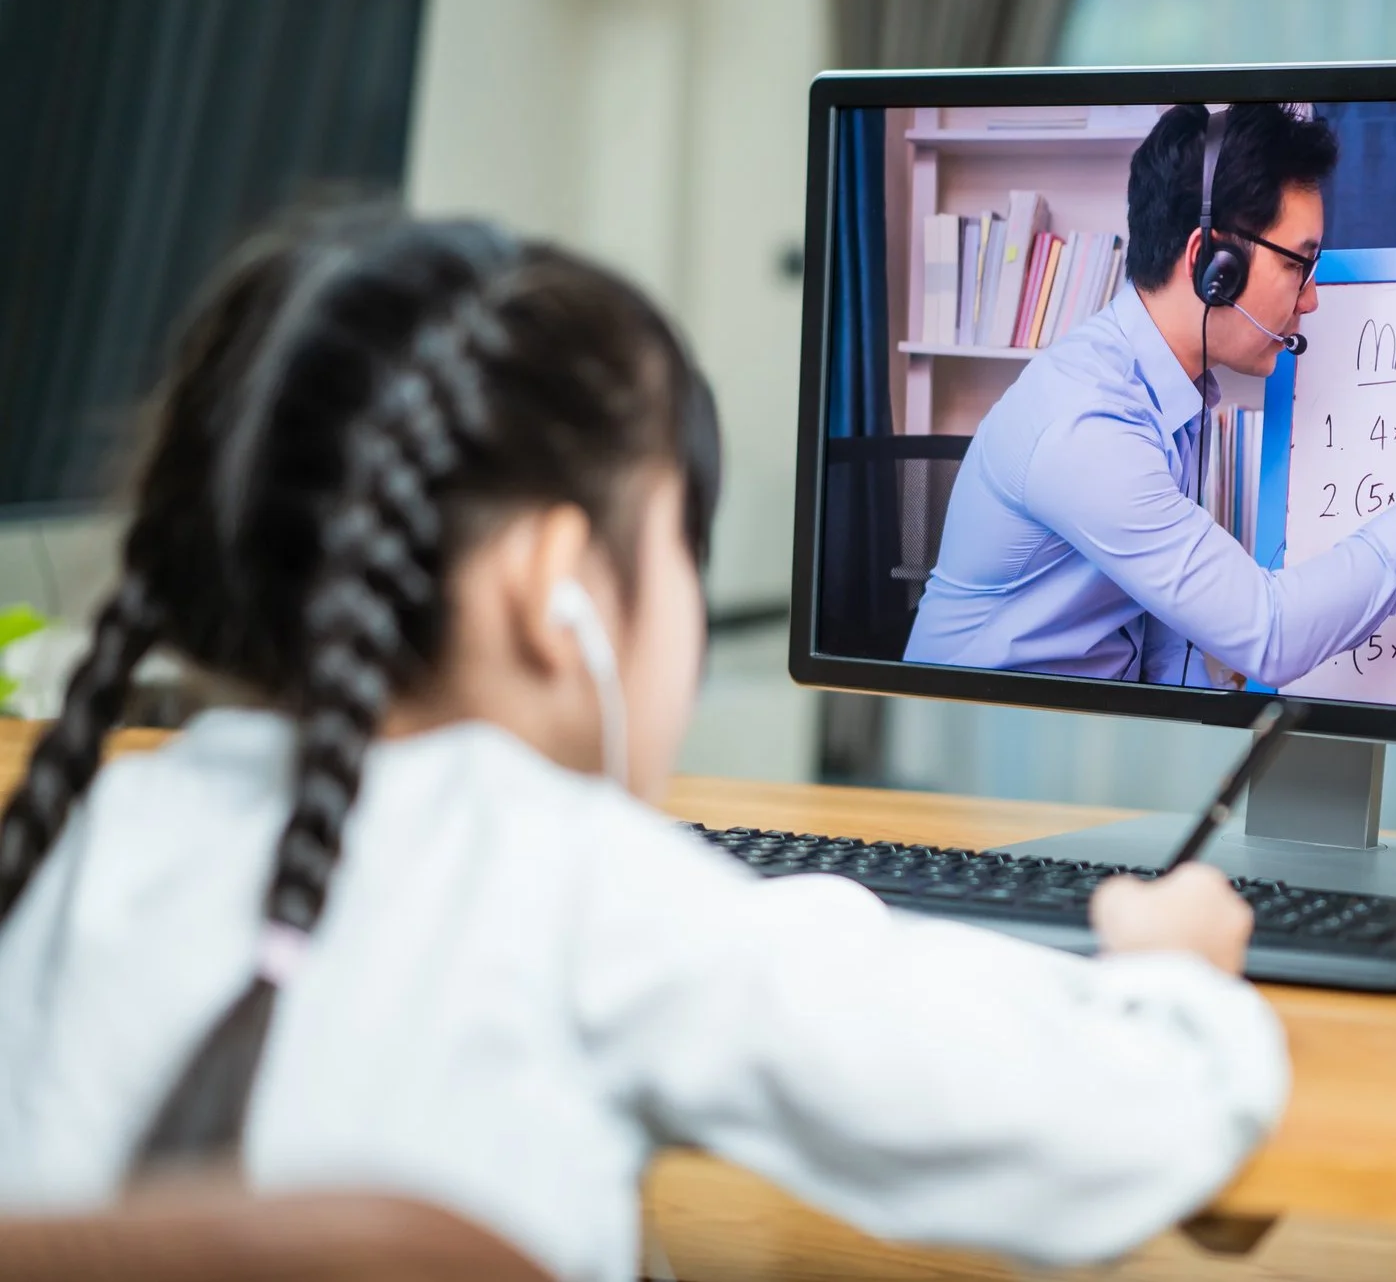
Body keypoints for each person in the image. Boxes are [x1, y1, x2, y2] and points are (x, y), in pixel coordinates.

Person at [0, 212, 1281, 1281]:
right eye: (683, 542)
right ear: (553, 586)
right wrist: (1178, 975)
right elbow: (1093, 1134)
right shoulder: (579, 888)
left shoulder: (76, 844)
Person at [904, 103, 1396, 687]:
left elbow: (1164, 645)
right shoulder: (1088, 426)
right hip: (977, 753)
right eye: (1298, 265)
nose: (1311, 299)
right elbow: (1271, 635)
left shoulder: (1171, 393)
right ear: (1211, 265)